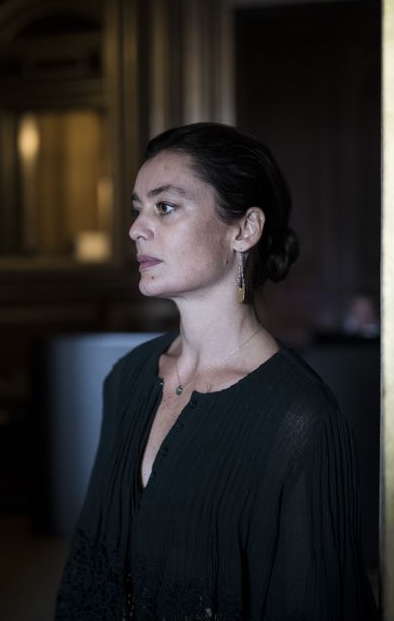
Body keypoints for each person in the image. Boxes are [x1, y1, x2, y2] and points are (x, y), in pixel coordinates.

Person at [55, 123, 378, 620]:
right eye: (137, 209)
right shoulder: (128, 378)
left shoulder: (302, 420)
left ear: (244, 229)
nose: (136, 228)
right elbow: (88, 571)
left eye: (165, 206)